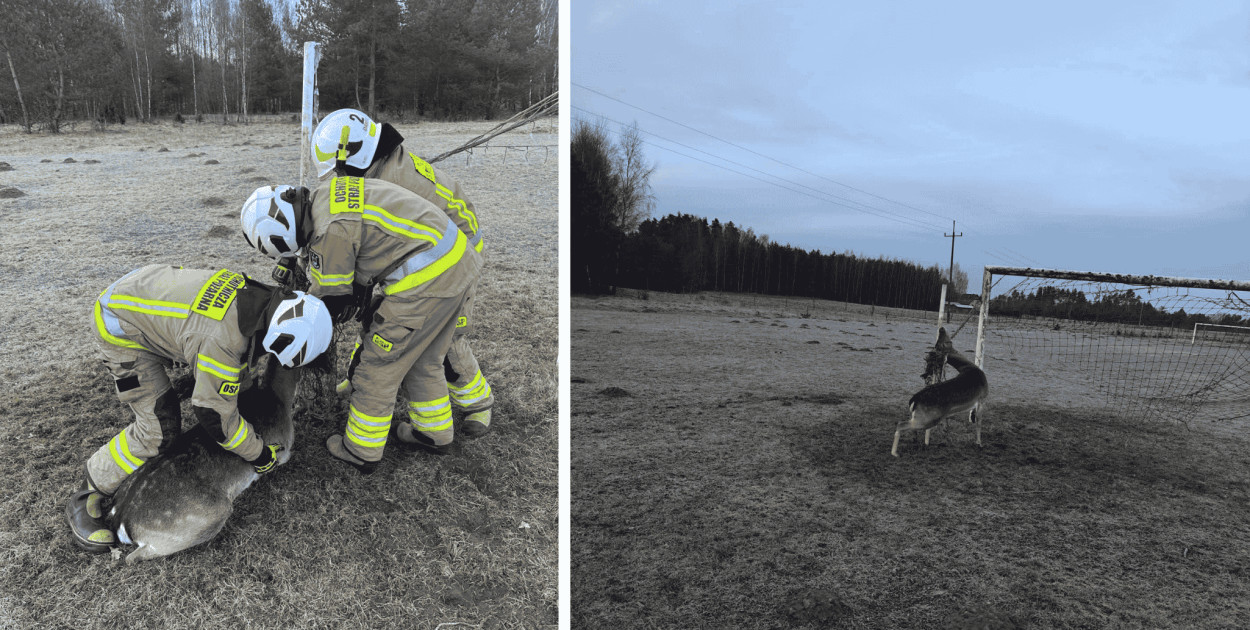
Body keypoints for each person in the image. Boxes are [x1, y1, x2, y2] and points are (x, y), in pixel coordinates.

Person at [66, 264, 333, 553]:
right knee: (158, 430)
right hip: (119, 323)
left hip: (144, 293)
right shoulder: (221, 340)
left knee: (234, 383)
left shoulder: (264, 300)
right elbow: (215, 417)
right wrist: (258, 454)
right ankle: (87, 493)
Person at [240, 177, 482, 473]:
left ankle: (361, 450)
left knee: (377, 366)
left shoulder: (330, 234)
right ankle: (433, 433)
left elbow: (331, 299)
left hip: (426, 282)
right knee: (425, 357)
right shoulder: (327, 193)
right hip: (457, 262)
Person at [310, 109, 493, 438]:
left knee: (444, 338)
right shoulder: (381, 164)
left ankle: (477, 404)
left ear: (354, 157)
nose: (337, 177)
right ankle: (357, 379)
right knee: (384, 319)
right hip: (429, 251)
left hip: (453, 256)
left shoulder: (389, 181)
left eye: (338, 169)